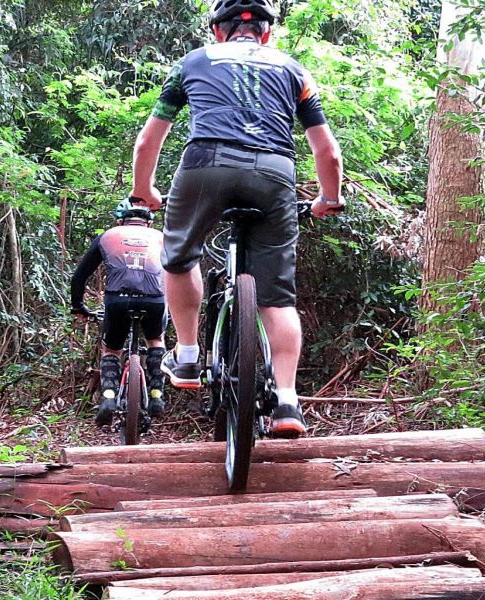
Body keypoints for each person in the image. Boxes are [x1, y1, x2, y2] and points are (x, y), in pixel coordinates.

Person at [128, 0, 344, 438]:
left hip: (206, 164)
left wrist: (144, 191)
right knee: (278, 298)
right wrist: (329, 198)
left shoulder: (193, 62)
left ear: (218, 32)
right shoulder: (293, 70)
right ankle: (286, 402)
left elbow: (147, 143)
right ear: (266, 33)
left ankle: (187, 354)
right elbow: (328, 152)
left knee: (178, 257)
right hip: (274, 171)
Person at [70, 200, 168, 425]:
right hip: (155, 300)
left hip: (117, 300)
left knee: (111, 349)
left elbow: (79, 276)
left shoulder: (108, 235)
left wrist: (78, 306)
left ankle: (108, 397)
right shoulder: (162, 238)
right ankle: (156, 395)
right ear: (149, 223)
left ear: (120, 220)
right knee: (155, 341)